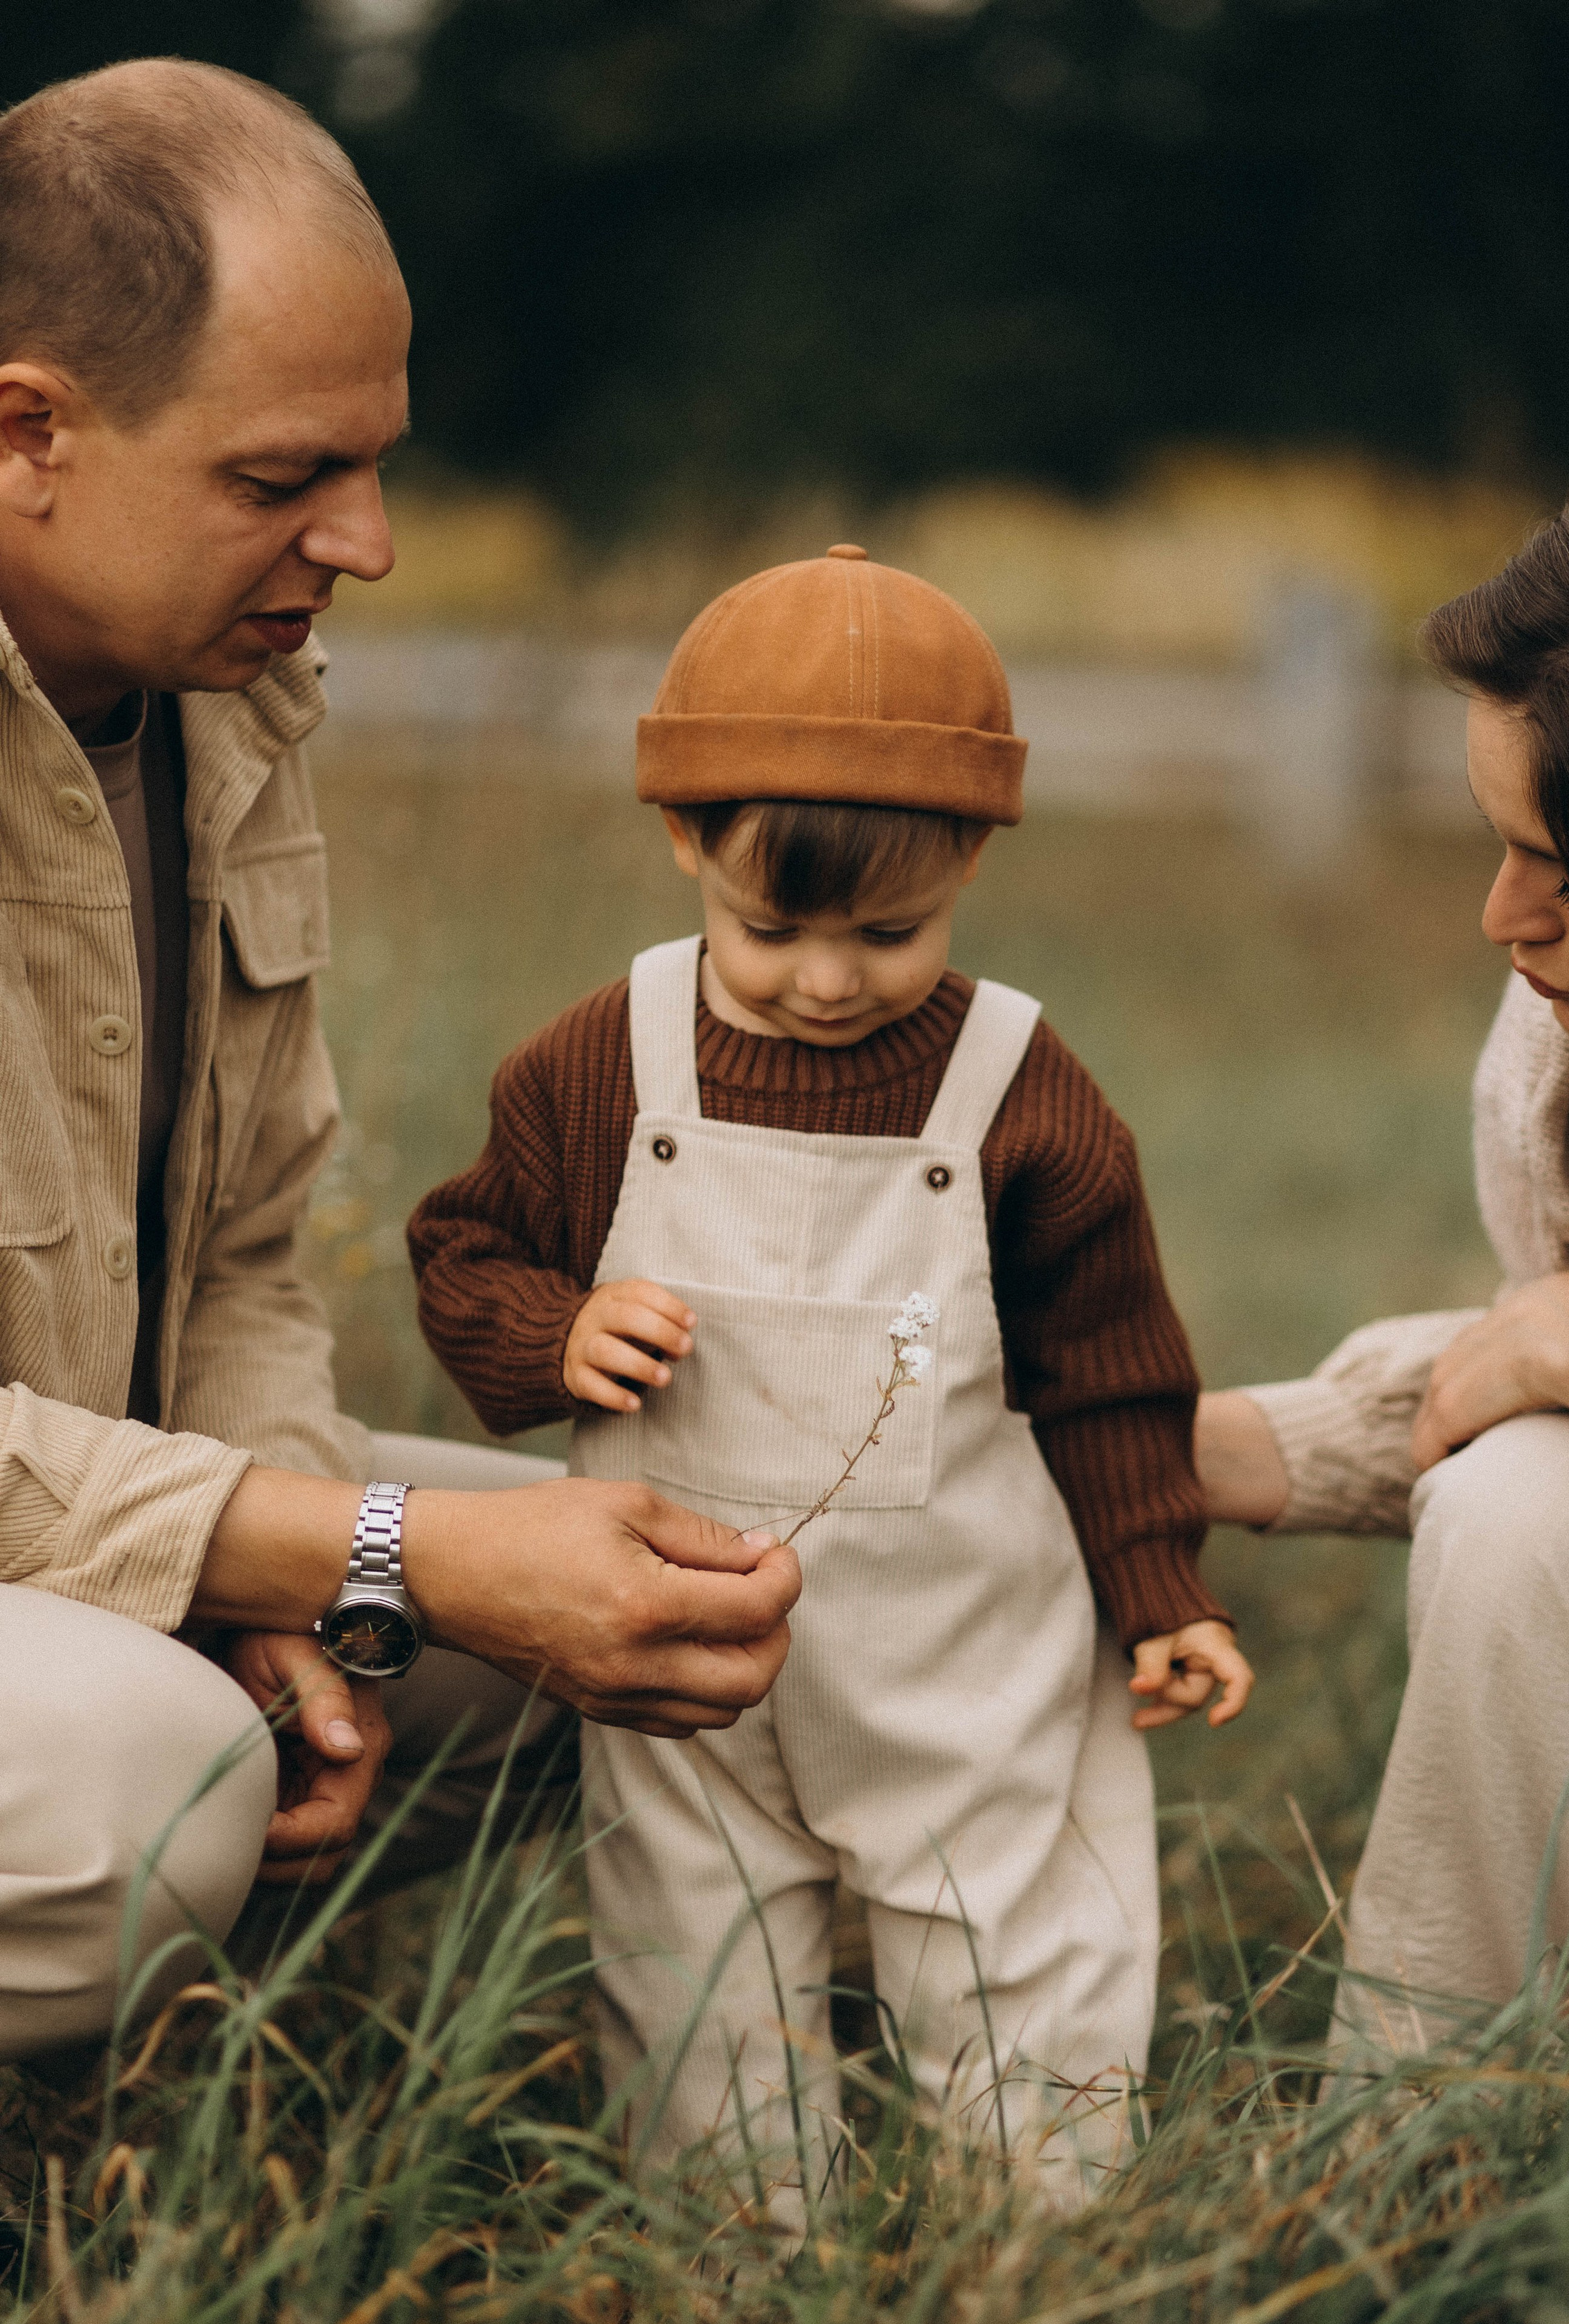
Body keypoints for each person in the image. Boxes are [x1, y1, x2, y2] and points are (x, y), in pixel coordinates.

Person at [0, 59, 799, 2063]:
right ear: (28, 432)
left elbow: (251, 1254)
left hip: (102, 1541)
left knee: (700, 1613)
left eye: (373, 465)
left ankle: (156, 2032)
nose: (362, 542)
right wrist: (370, 1547)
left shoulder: (231, 707)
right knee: (139, 1785)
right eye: (281, 480)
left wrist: (295, 1594)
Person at [409, 545, 1251, 2193]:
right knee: (690, 1957)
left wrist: (1160, 1588)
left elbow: (1109, 1363)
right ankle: (728, 2266)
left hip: (961, 1657)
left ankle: (1037, 2258)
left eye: (888, 931)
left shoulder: (1018, 1086)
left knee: (1015, 1936)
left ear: (971, 861)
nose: (823, 977)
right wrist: (554, 1332)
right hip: (684, 1655)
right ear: (684, 842)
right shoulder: (605, 1058)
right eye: (769, 925)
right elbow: (464, 1252)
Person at [1195, 447, 1569, 2060]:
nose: (1498, 918)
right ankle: (1455, 2175)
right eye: (1493, 837)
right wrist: (1239, 1448)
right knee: (1524, 1512)